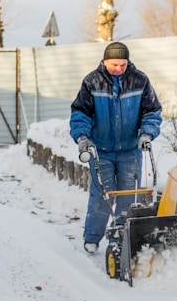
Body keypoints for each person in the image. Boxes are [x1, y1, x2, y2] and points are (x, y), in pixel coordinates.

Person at [69, 41, 162, 253]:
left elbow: (152, 111)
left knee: (129, 195)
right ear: (104, 61)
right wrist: (82, 137)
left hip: (130, 150)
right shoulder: (92, 82)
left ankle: (121, 237)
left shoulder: (140, 80)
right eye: (114, 64)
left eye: (123, 64)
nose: (119, 69)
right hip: (100, 150)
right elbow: (80, 114)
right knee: (103, 193)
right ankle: (92, 236)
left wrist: (147, 133)